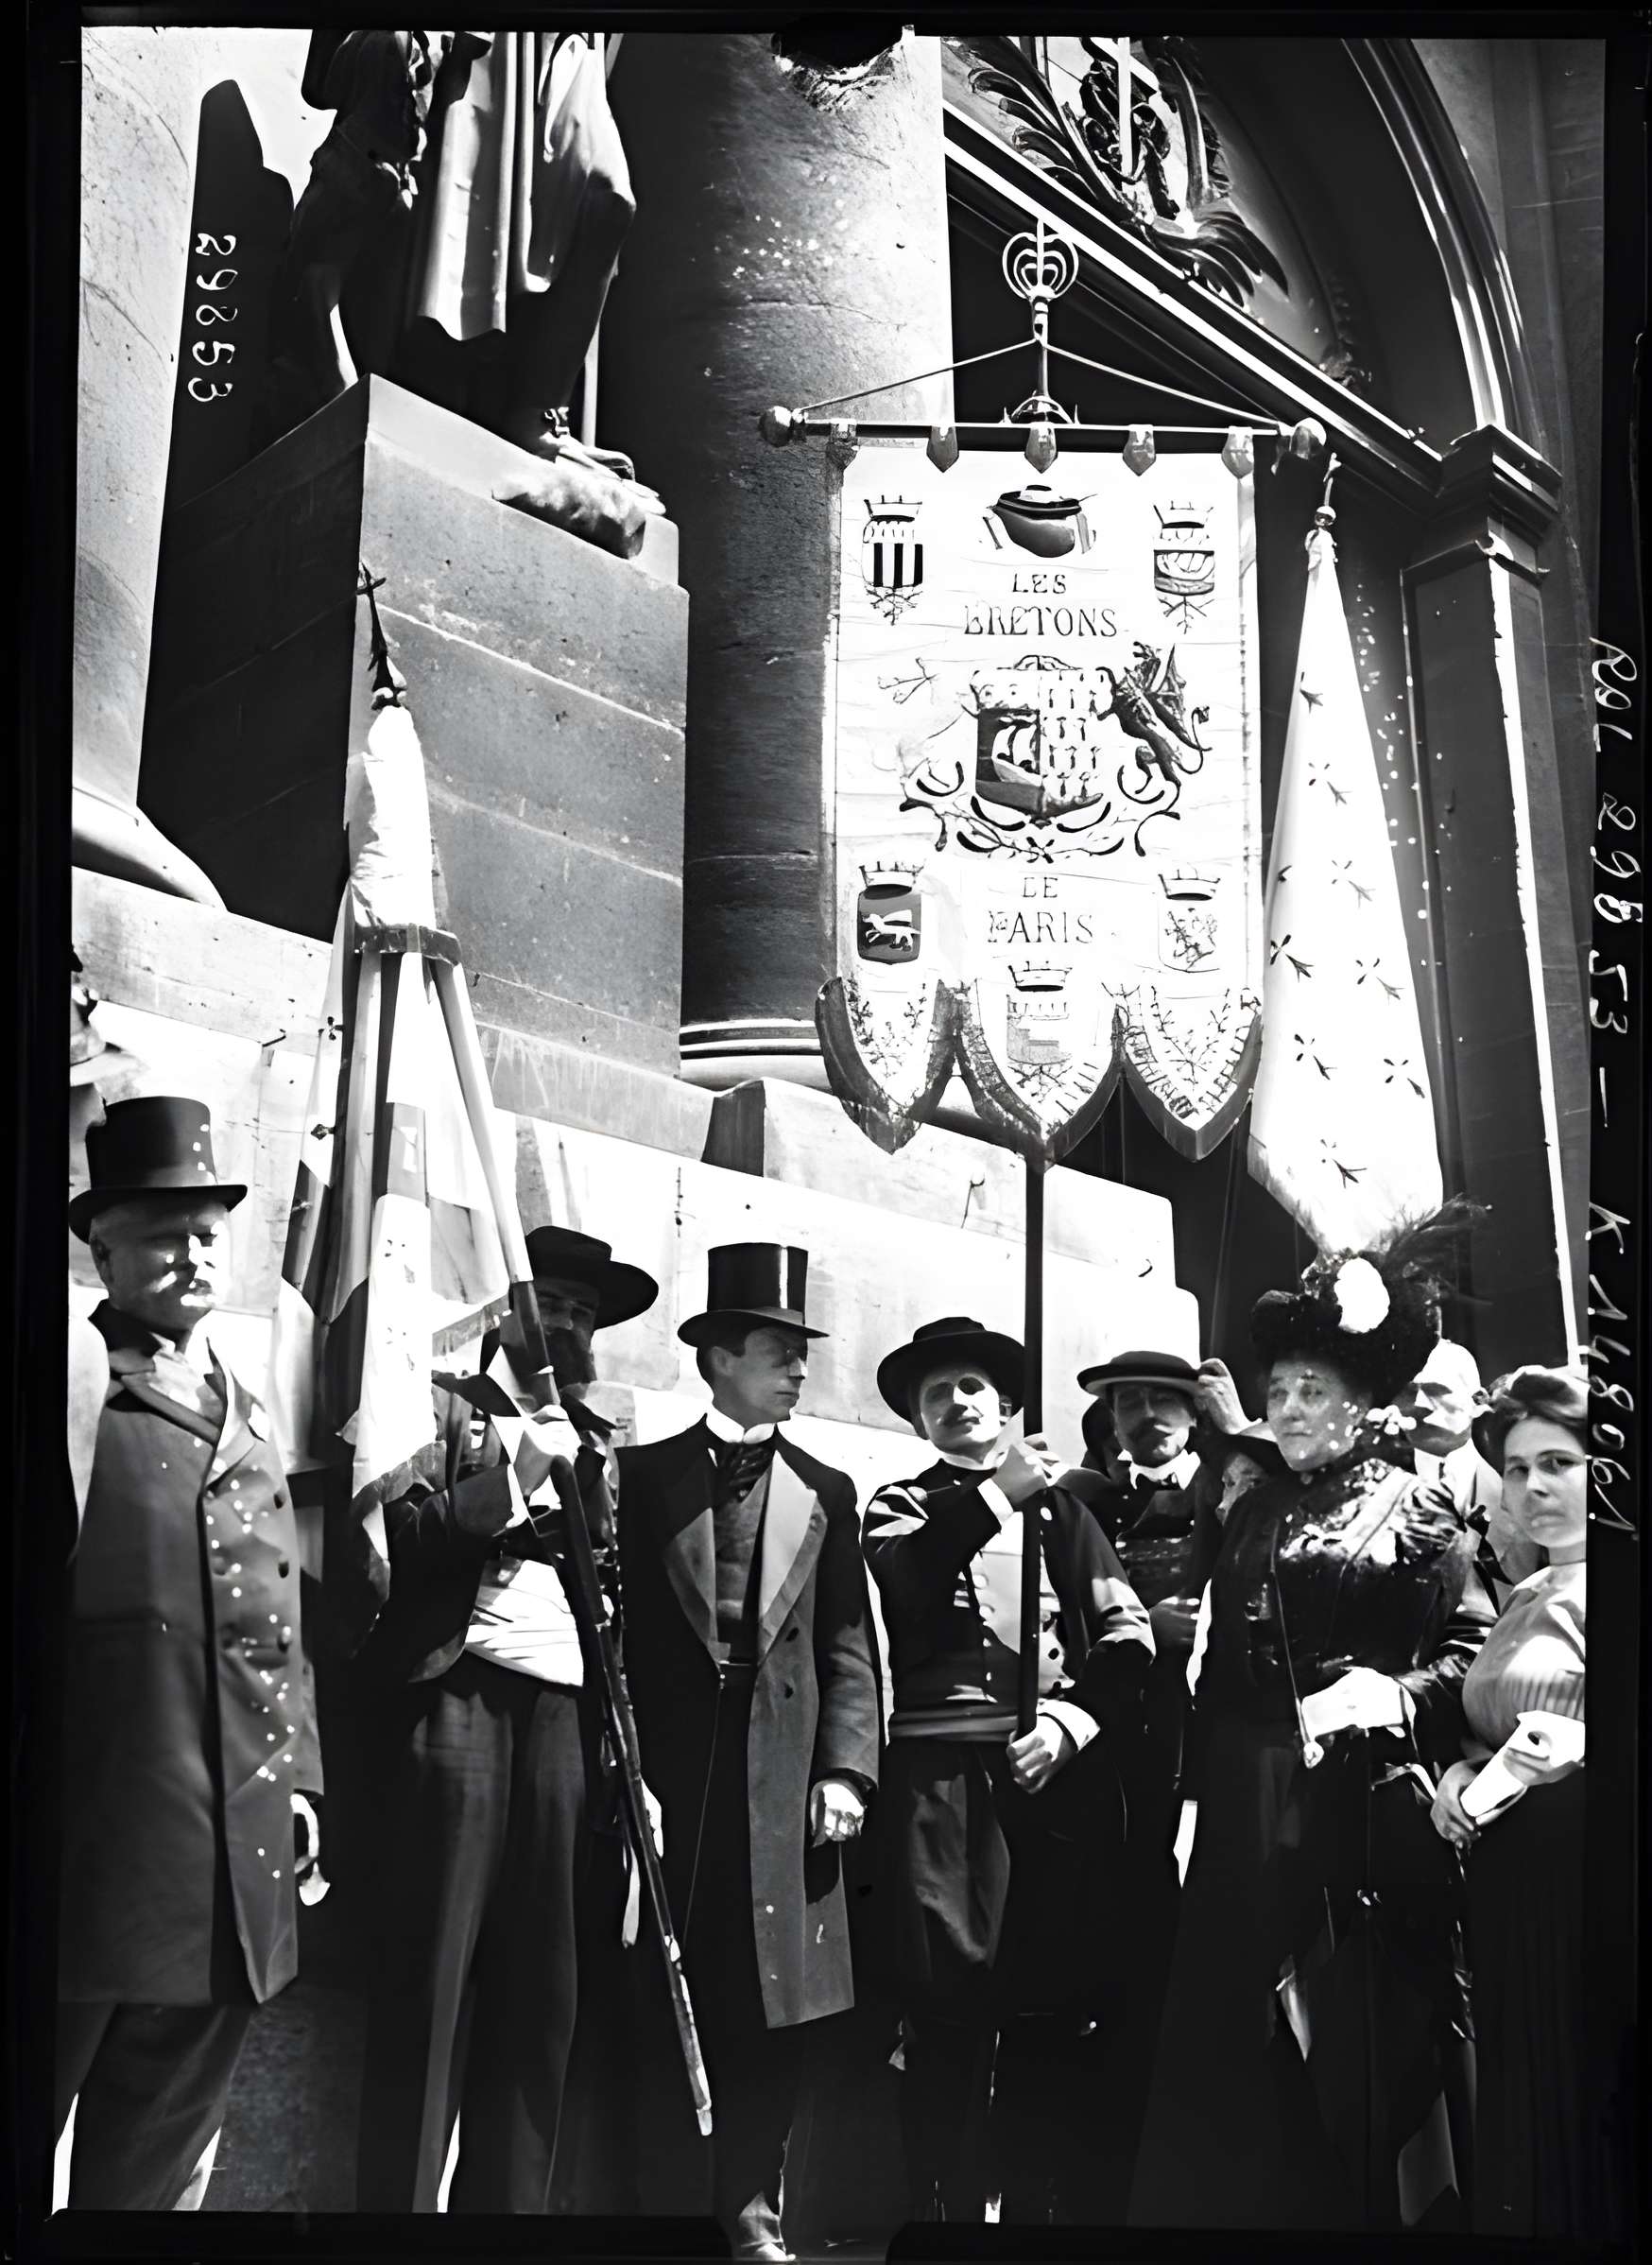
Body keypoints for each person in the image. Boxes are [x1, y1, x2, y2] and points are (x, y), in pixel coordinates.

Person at [1129, 1209, 1497, 2233]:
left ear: (1361, 1402)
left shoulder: (1418, 1513)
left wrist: (1392, 1693)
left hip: (1346, 1812)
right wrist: (1193, 1795)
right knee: (1226, 2038)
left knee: (1337, 2041)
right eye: (1278, 1389)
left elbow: (1466, 1658)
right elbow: (1213, 1665)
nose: (1287, 1408)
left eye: (1311, 1390)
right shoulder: (1249, 1507)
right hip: (1238, 1809)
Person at [338, 1223, 658, 2212]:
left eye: (579, 1313)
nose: (563, 1323)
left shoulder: (611, 1439)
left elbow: (623, 1607)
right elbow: (392, 1542)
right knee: (429, 1983)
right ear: (504, 1309)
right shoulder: (442, 1404)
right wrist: (514, 1475)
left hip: (567, 1721)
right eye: (547, 1303)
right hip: (456, 1700)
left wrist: (632, 1760)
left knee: (542, 1992)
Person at [58, 1098, 322, 2210]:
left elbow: (284, 1622)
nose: (193, 1250)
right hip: (95, 1830)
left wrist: (303, 1778)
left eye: (209, 1229)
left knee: (159, 2151)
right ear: (102, 1244)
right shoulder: (75, 1383)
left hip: (235, 1842)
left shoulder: (246, 1408)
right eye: (164, 1230)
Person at [616, 1244, 881, 2260]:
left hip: (786, 1780)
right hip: (673, 1782)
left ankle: (751, 2219)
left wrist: (846, 1769)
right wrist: (626, 1770)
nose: (796, 1368)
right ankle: (661, 2205)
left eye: (798, 1352)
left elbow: (848, 1642)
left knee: (777, 2005)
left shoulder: (828, 1485)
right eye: (775, 1349)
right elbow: (621, 1633)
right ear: (717, 1358)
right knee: (672, 1987)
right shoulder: (638, 1478)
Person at [864, 1318, 1153, 2226]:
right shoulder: (897, 1503)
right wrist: (998, 1497)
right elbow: (909, 1581)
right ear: (918, 1424)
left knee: (1044, 2005)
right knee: (944, 2008)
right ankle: (939, 2212)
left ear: (1009, 1407)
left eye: (974, 1389)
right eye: (936, 1395)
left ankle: (1031, 2209)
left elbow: (1126, 1635)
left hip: (1044, 1778)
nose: (956, 1404)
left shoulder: (1065, 1511)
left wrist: (1071, 1722)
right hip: (938, 1784)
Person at [1429, 1366, 1597, 2238]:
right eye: (1521, 1466)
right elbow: (1486, 1718)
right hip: (1508, 1883)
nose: (1534, 1486)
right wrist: (1459, 1775)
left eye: (1561, 1462)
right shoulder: (1528, 1590)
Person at [1396, 1338, 1539, 1605]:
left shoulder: (1521, 1484)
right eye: (1407, 1391)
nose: (1419, 1404)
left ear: (1477, 1401)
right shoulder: (1383, 1487)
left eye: (1435, 1391)